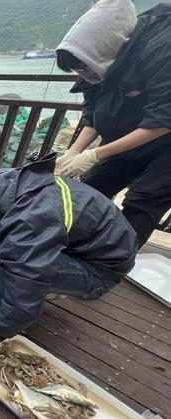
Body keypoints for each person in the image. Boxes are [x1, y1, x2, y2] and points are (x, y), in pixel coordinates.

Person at [0, 154, 137, 344]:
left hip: (102, 269)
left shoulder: (28, 227)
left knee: (13, 267)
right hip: (85, 241)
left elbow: (24, 301)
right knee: (13, 263)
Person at [54, 0, 171, 247]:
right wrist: (75, 150)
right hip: (127, 138)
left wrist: (95, 154)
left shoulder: (161, 45)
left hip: (165, 140)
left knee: (142, 202)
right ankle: (69, 245)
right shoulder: (95, 62)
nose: (84, 75)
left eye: (85, 69)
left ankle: (106, 270)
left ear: (106, 48)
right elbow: (94, 112)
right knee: (91, 186)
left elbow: (163, 117)